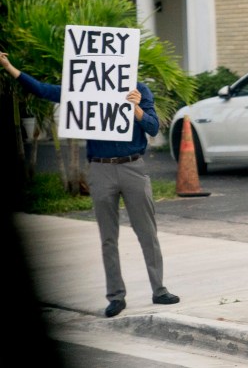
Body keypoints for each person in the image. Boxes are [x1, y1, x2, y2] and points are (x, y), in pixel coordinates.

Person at [0, 52, 180, 318]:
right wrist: (8, 67)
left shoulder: (139, 89)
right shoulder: (84, 89)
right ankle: (116, 297)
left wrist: (137, 109)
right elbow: (45, 91)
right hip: (101, 169)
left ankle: (159, 289)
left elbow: (153, 128)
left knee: (147, 233)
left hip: (132, 167)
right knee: (108, 237)